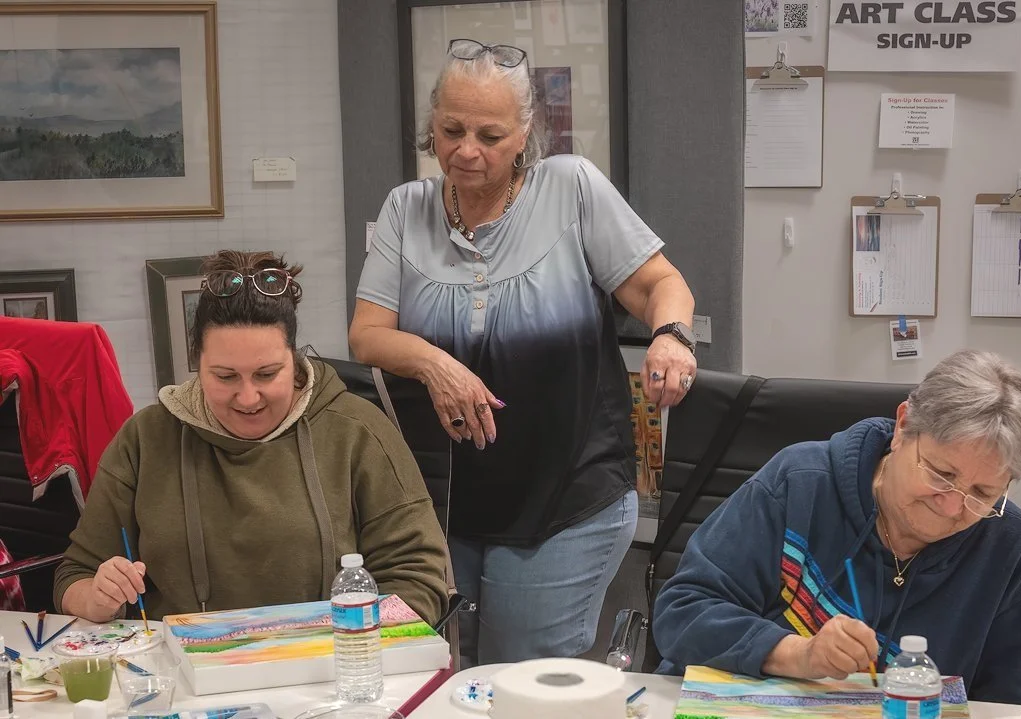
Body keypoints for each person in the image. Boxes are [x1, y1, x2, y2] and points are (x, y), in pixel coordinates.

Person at [349, 39, 697, 664]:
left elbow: (659, 285)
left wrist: (671, 336)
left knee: (519, 682)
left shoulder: (570, 189)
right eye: (451, 129)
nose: (466, 150)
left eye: (489, 134)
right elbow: (367, 334)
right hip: (446, 499)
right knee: (442, 674)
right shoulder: (407, 208)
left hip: (566, 494)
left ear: (525, 133)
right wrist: (436, 363)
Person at [54, 250, 449, 626]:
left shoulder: (357, 431)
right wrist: (96, 597)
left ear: (294, 359)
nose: (247, 398)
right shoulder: (146, 438)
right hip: (180, 677)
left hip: (326, 669)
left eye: (266, 374)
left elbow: (419, 582)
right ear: (196, 362)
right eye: (225, 377)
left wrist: (330, 643)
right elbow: (75, 575)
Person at [652, 350, 1021, 705]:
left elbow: (1008, 705)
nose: (951, 507)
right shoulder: (800, 483)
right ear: (903, 426)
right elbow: (681, 613)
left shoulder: (1012, 548)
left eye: (982, 493)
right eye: (941, 474)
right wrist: (800, 655)